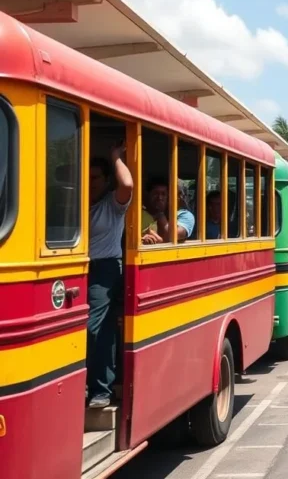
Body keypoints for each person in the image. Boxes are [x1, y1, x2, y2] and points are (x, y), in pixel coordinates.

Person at [87, 145, 134, 408]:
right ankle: (99, 389)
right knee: (102, 332)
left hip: (106, 269)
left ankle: (94, 387)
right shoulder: (77, 203)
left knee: (91, 328)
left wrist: (115, 157)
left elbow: (127, 183)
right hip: (80, 267)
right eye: (88, 177)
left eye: (96, 178)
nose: (91, 183)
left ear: (106, 181)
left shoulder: (112, 206)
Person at [141, 177, 196, 244]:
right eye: (155, 193)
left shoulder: (184, 215)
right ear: (148, 195)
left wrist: (160, 214)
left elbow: (171, 236)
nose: (160, 198)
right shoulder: (140, 214)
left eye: (163, 194)